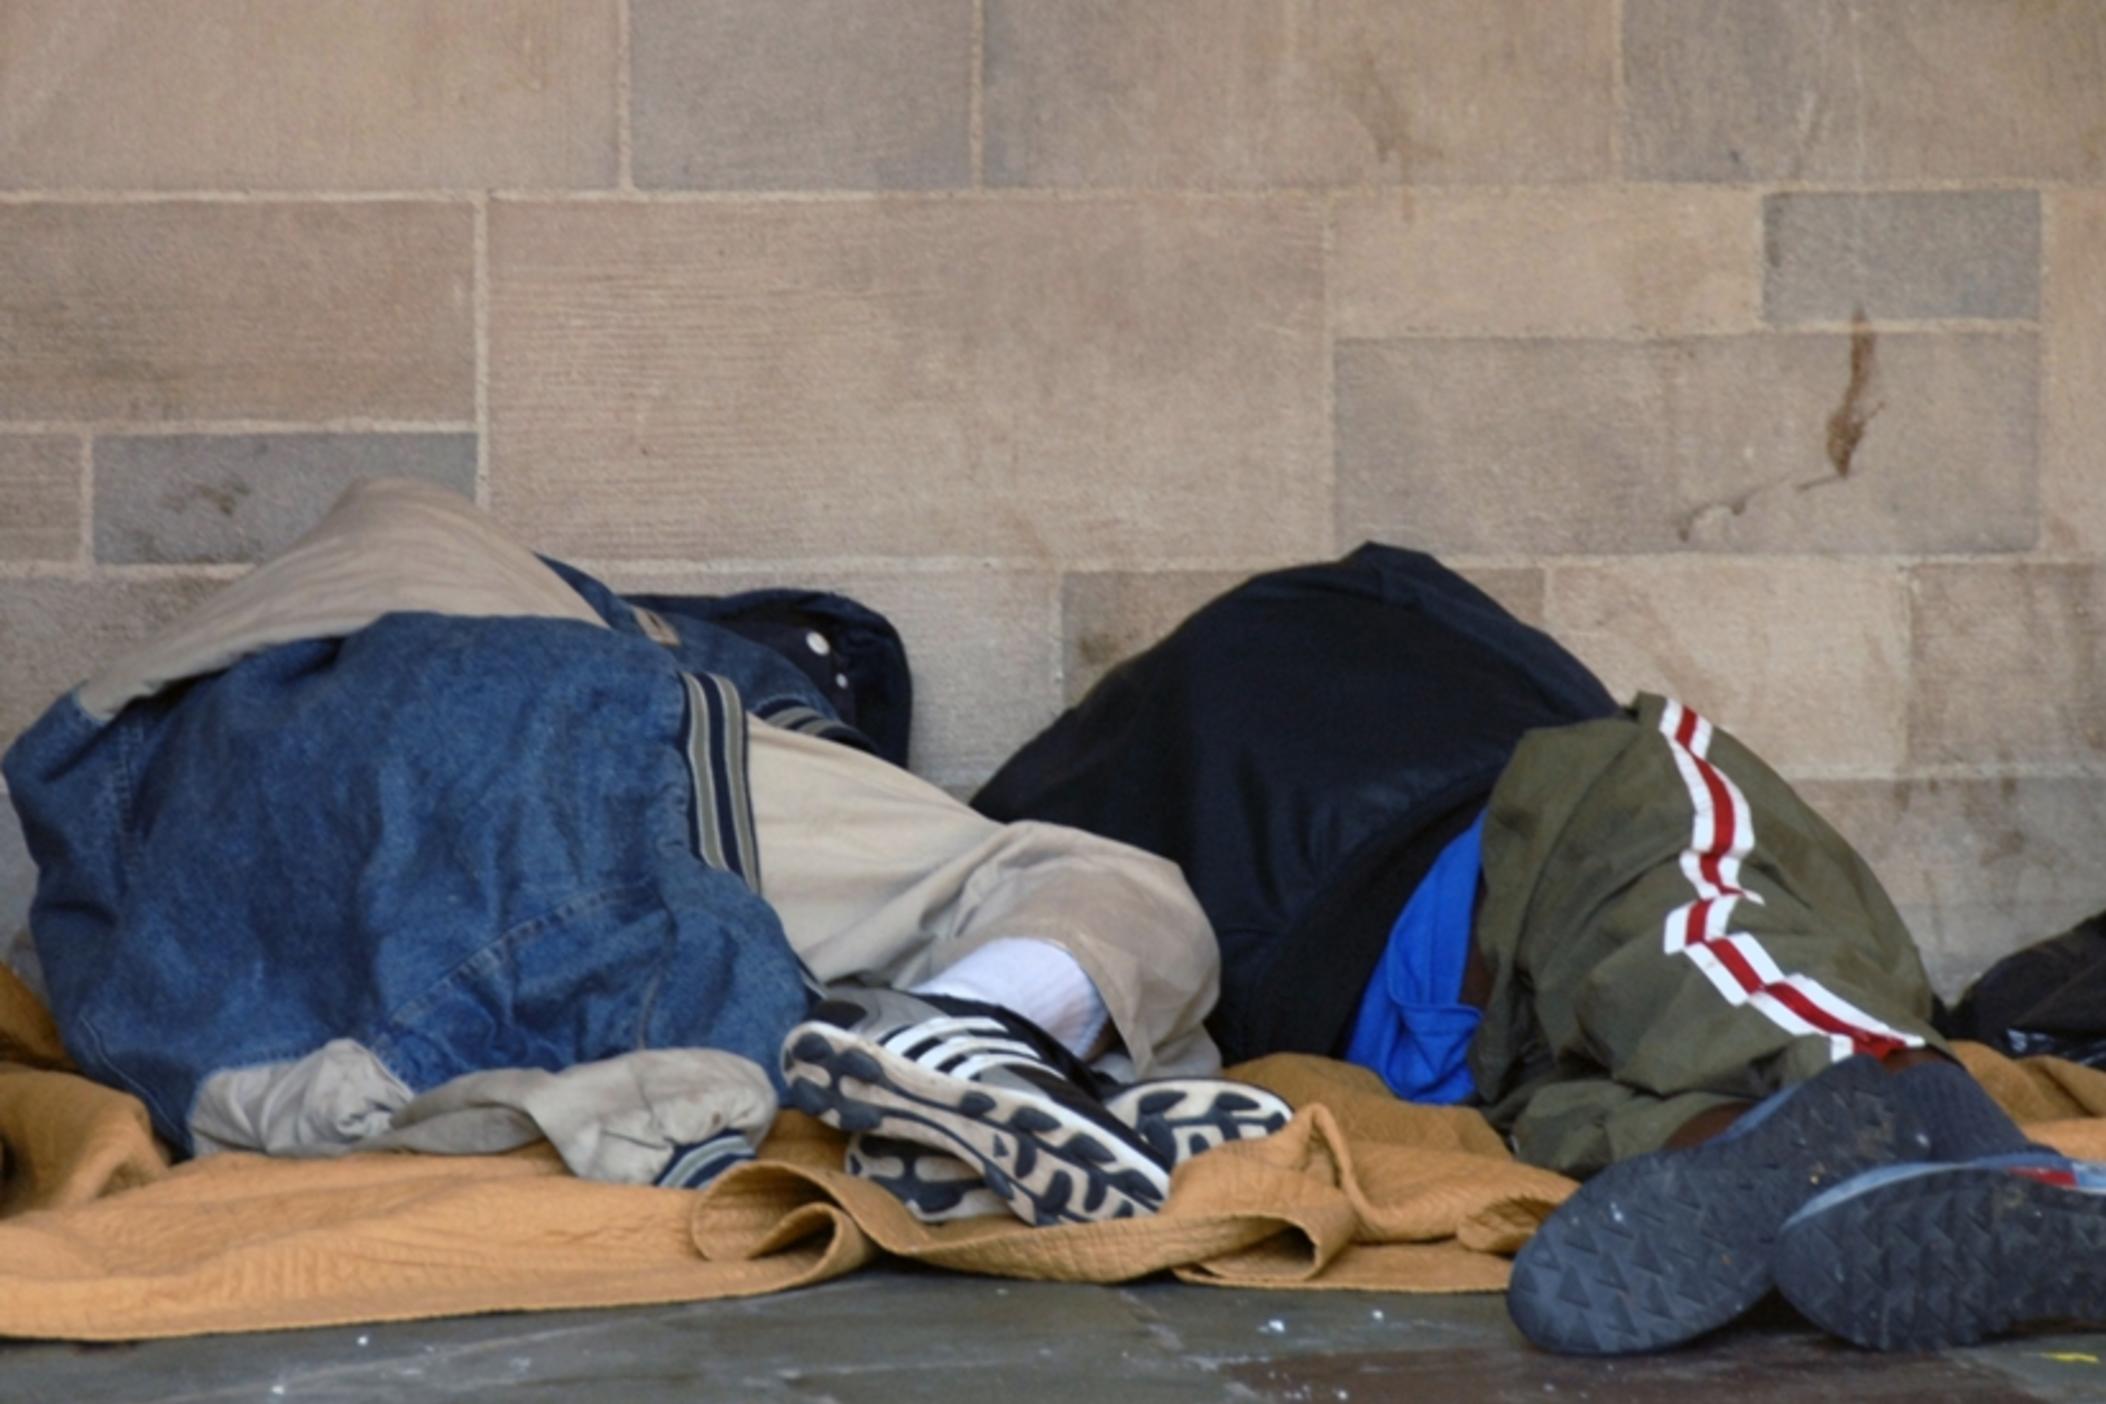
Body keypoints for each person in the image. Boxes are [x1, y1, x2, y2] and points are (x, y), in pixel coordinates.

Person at [2, 479, 1286, 1229]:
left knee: (470, 1065)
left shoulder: (107, 845)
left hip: (227, 953)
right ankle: (969, 1032)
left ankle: (919, 1068)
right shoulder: (613, 655)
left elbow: (113, 1015)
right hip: (534, 741)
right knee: (1115, 894)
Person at [973, 543, 2098, 1352]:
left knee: (1619, 1115)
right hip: (1490, 882)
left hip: (1439, 1051)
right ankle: (1927, 1118)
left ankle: (1780, 1165)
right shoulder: (1340, 638)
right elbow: (1522, 698)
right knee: (1706, 924)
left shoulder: (1049, 820)